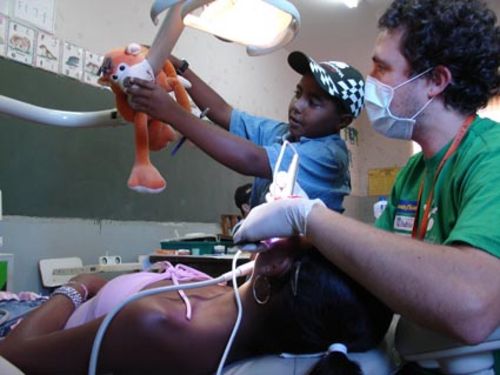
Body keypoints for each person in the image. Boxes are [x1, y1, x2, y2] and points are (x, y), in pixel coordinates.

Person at [234, 0, 500, 373]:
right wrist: (305, 246)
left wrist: (310, 217)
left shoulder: (492, 159)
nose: (370, 80)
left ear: (436, 81)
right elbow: (376, 269)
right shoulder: (413, 174)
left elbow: (471, 309)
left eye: (382, 67)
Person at [0, 238, 392, 374]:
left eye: (296, 239)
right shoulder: (240, 307)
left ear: (275, 265)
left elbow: (13, 354)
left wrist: (77, 288)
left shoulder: (162, 324)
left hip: (31, 324)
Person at [126, 51, 366, 213]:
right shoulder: (282, 134)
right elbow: (222, 111)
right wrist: (179, 68)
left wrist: (172, 113)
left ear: (342, 121)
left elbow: (251, 159)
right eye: (298, 93)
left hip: (310, 270)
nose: (297, 105)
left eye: (314, 102)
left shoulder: (329, 155)